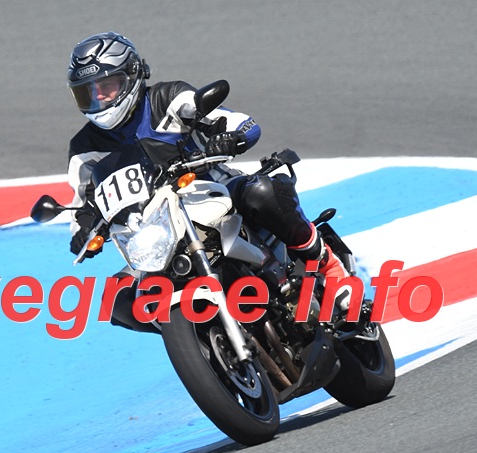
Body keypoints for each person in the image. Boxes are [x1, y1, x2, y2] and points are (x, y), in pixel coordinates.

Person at [64, 32, 348, 331]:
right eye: (88, 92)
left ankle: (329, 266)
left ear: (132, 75)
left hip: (216, 194)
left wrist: (231, 137)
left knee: (261, 192)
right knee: (115, 299)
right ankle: (196, 337)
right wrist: (83, 231)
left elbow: (239, 122)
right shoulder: (84, 148)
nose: (98, 97)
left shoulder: (168, 98)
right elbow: (82, 203)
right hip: (155, 230)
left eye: (106, 86)